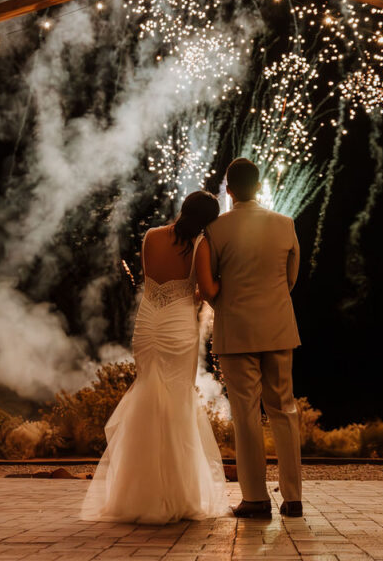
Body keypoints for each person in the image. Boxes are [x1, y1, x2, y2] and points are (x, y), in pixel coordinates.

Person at [82, 190, 228, 523]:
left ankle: (135, 494)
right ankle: (174, 494)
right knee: (175, 405)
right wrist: (224, 282)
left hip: (147, 323)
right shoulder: (201, 245)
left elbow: (155, 282)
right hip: (178, 325)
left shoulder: (150, 237)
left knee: (148, 395)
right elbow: (203, 291)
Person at [206, 157, 302, 518]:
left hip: (236, 330)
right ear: (259, 187)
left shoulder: (216, 229)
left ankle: (255, 498)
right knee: (285, 410)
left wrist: (228, 306)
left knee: (245, 414)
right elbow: (291, 279)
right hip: (278, 327)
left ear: (228, 190)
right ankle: (293, 499)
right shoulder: (285, 224)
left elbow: (210, 283)